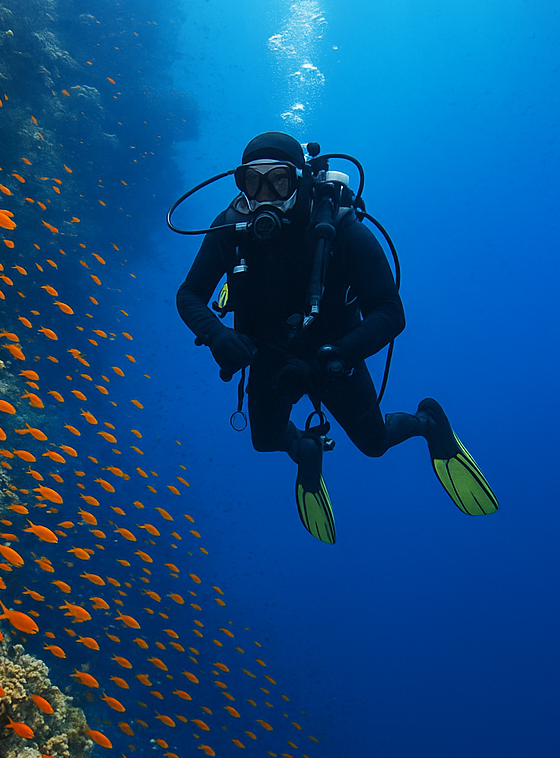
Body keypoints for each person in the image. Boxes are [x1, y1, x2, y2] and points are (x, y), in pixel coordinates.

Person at [175, 131, 498, 542]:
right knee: (265, 440)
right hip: (270, 355)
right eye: (252, 181)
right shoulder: (230, 229)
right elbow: (189, 294)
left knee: (375, 443)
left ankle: (428, 422)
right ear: (240, 183)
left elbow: (390, 312)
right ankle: (306, 449)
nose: (265, 194)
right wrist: (217, 334)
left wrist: (339, 355)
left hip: (333, 357)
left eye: (279, 181)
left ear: (300, 180)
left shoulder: (342, 230)